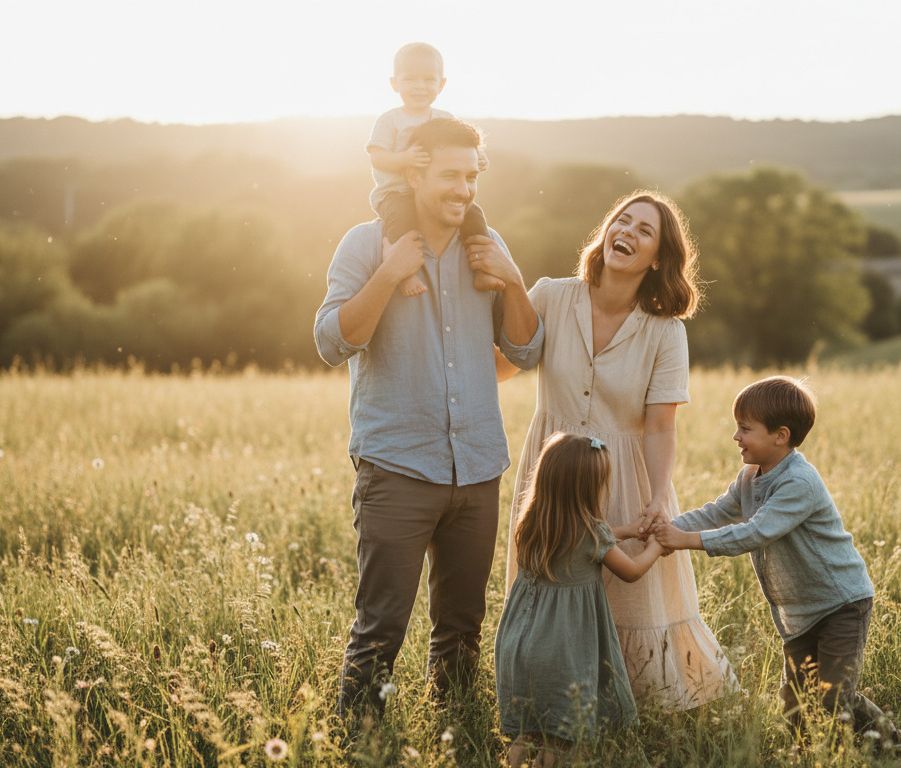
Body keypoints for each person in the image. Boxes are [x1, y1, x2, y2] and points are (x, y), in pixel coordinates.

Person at [314, 117, 543, 715]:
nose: (463, 189)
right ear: (414, 172)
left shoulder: (487, 250)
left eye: (471, 176)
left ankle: (456, 737)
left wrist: (515, 283)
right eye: (449, 175)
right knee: (380, 631)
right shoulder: (365, 245)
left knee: (462, 630)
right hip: (396, 469)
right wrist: (390, 274)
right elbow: (332, 342)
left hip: (477, 471)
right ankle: (362, 746)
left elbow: (525, 351)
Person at [500, 191, 737, 709]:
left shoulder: (666, 332)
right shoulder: (549, 295)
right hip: (552, 474)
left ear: (659, 259)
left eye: (644, 230)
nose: (626, 231)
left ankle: (629, 701)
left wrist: (656, 497)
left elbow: (659, 427)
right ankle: (542, 698)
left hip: (624, 474)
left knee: (630, 594)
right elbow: (502, 365)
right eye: (621, 221)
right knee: (552, 583)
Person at [652, 376, 901, 750]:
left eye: (745, 429)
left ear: (781, 435)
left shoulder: (799, 482)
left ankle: (899, 746)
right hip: (799, 614)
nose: (736, 437)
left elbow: (756, 532)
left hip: (841, 603)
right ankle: (804, 755)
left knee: (833, 698)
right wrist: (667, 529)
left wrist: (685, 541)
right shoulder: (749, 477)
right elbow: (718, 513)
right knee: (794, 705)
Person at [496, 432, 665, 767]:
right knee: (560, 737)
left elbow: (583, 542)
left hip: (518, 644)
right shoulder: (592, 533)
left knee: (529, 732)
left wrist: (625, 530)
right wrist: (657, 547)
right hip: (561, 651)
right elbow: (630, 570)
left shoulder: (531, 523)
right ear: (590, 488)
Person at [365, 42, 503, 297]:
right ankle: (404, 274)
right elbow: (378, 158)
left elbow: (462, 144)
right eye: (410, 79)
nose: (420, 86)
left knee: (474, 215)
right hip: (396, 192)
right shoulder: (389, 120)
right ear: (395, 84)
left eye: (429, 79)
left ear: (441, 85)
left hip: (435, 194)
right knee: (402, 220)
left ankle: (483, 269)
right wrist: (405, 158)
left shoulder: (445, 117)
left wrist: (478, 156)